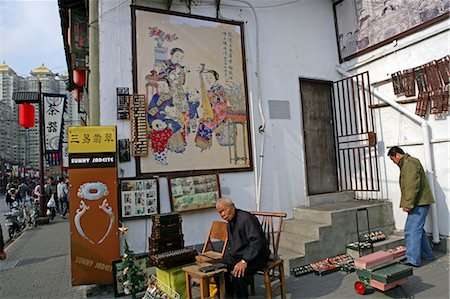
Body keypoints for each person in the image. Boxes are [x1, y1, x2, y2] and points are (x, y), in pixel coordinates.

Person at [388, 146, 435, 267]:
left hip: (418, 202)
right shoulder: (410, 162)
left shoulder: (409, 164)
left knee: (411, 230)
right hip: (420, 202)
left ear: (397, 155)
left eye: (393, 159)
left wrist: (408, 203)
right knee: (418, 229)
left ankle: (412, 259)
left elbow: (411, 185)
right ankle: (427, 255)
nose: (394, 163)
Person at [216, 197, 270, 298]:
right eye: (220, 212)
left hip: (257, 255)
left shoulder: (246, 219)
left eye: (224, 210)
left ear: (233, 206)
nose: (222, 215)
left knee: (238, 275)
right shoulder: (230, 221)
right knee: (219, 270)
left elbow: (256, 242)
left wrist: (244, 261)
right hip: (242, 254)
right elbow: (233, 245)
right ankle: (228, 296)